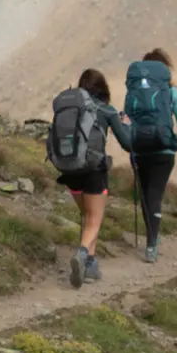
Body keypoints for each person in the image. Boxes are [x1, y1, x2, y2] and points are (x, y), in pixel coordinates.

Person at [58, 68, 134, 288]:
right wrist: (125, 123)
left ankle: (90, 265)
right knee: (94, 220)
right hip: (94, 170)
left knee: (88, 215)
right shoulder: (107, 110)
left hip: (69, 171)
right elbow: (128, 144)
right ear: (103, 89)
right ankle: (81, 254)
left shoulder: (70, 108)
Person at [125, 50, 177, 263]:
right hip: (163, 149)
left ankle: (151, 236)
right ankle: (152, 244)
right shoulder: (170, 91)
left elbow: (128, 115)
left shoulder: (135, 90)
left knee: (146, 194)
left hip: (139, 147)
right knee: (155, 193)